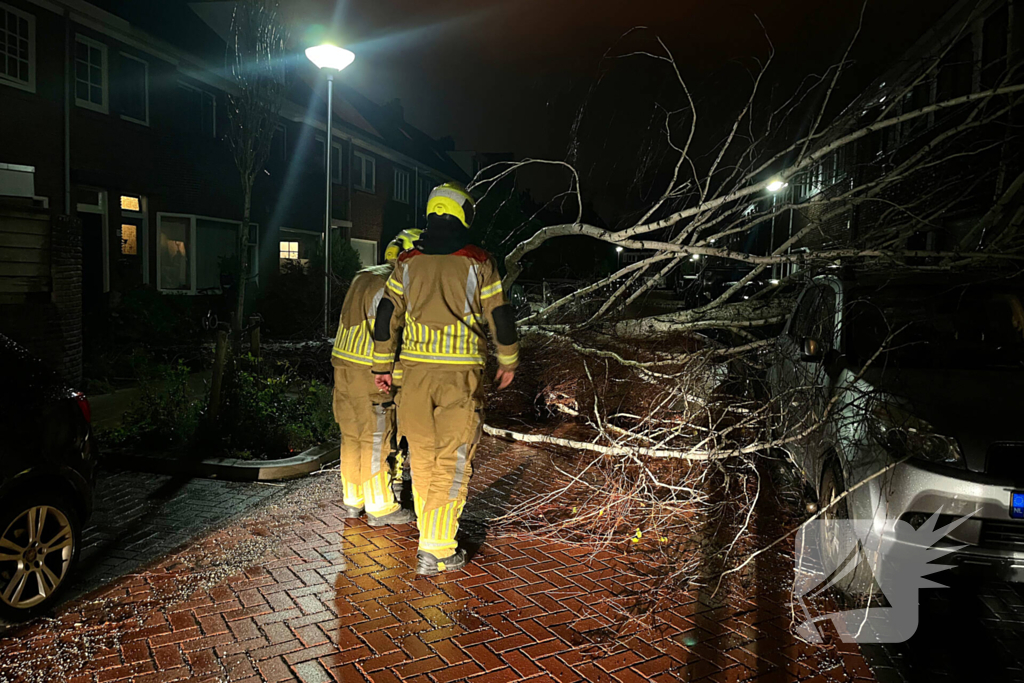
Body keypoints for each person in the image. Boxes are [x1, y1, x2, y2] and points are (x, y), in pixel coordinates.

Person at [372, 182, 520, 575]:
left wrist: (382, 366)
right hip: (460, 377)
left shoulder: (407, 262)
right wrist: (508, 359)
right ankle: (437, 547)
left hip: (414, 377)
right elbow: (500, 314)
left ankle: (430, 538)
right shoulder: (479, 261)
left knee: (422, 459)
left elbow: (386, 315)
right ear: (463, 214)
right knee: (452, 461)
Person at [331, 229, 420, 525]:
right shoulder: (395, 283)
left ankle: (353, 499)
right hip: (371, 371)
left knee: (352, 436)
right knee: (375, 438)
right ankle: (380, 505)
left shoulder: (364, 275)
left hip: (343, 367)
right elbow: (394, 333)